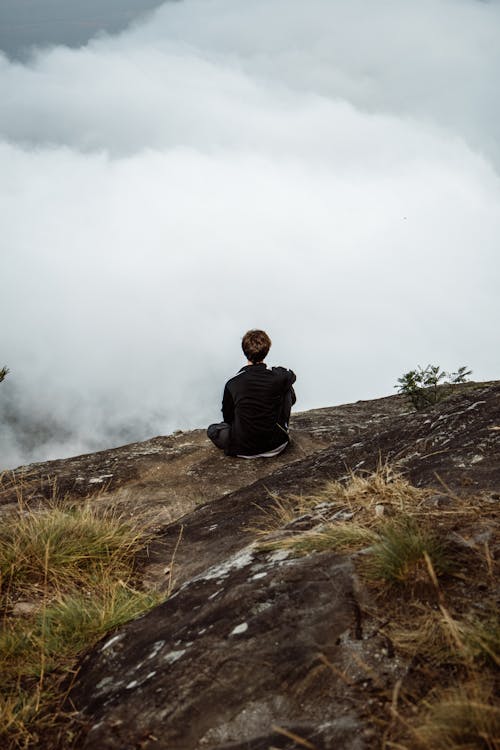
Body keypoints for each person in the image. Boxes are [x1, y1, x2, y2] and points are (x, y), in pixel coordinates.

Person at [207, 329, 296, 458]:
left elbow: (228, 417)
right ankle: (283, 428)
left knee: (213, 430)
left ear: (244, 351)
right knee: (287, 388)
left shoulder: (232, 383)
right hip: (277, 445)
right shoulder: (278, 376)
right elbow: (291, 375)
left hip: (243, 449)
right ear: (267, 350)